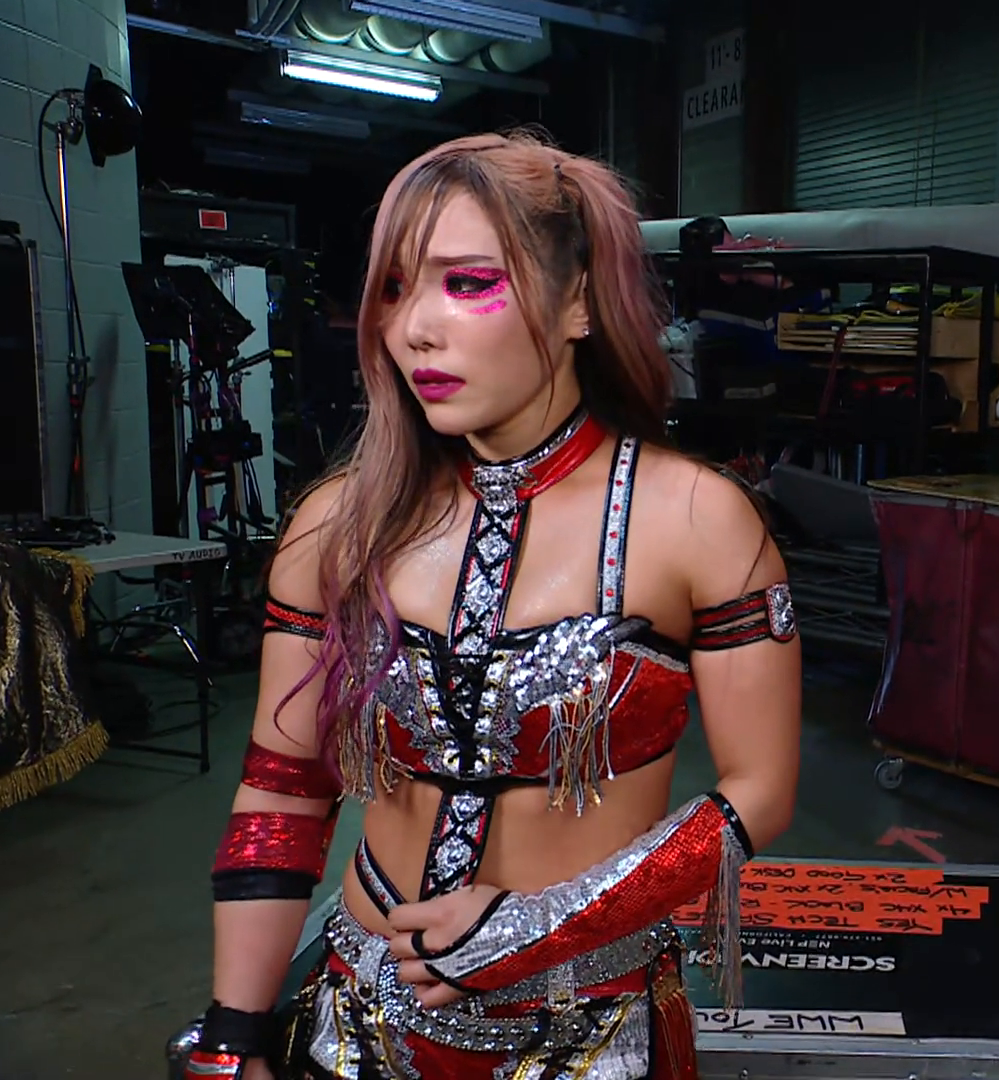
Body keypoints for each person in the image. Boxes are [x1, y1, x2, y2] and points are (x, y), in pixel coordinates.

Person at [184, 131, 803, 1080]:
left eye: (468, 283)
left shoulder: (699, 520)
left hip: (589, 1032)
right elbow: (284, 786)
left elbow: (759, 791)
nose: (413, 329)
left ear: (579, 302)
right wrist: (232, 1031)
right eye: (395, 289)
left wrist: (540, 928)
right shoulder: (336, 523)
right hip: (356, 1023)